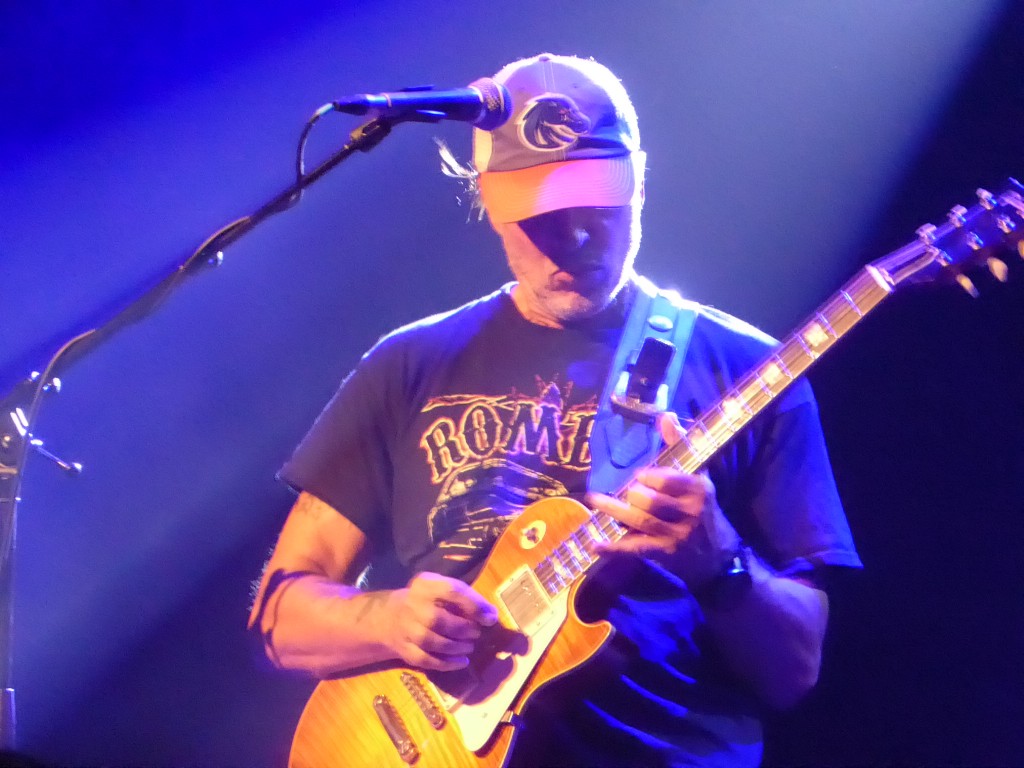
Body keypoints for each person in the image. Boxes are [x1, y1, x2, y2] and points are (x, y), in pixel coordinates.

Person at [248, 53, 861, 767]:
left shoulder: (748, 371)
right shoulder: (408, 363)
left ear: (638, 185)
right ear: (488, 200)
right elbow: (280, 619)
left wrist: (718, 559)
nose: (571, 239)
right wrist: (388, 619)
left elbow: (795, 670)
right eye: (541, 215)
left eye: (593, 205)